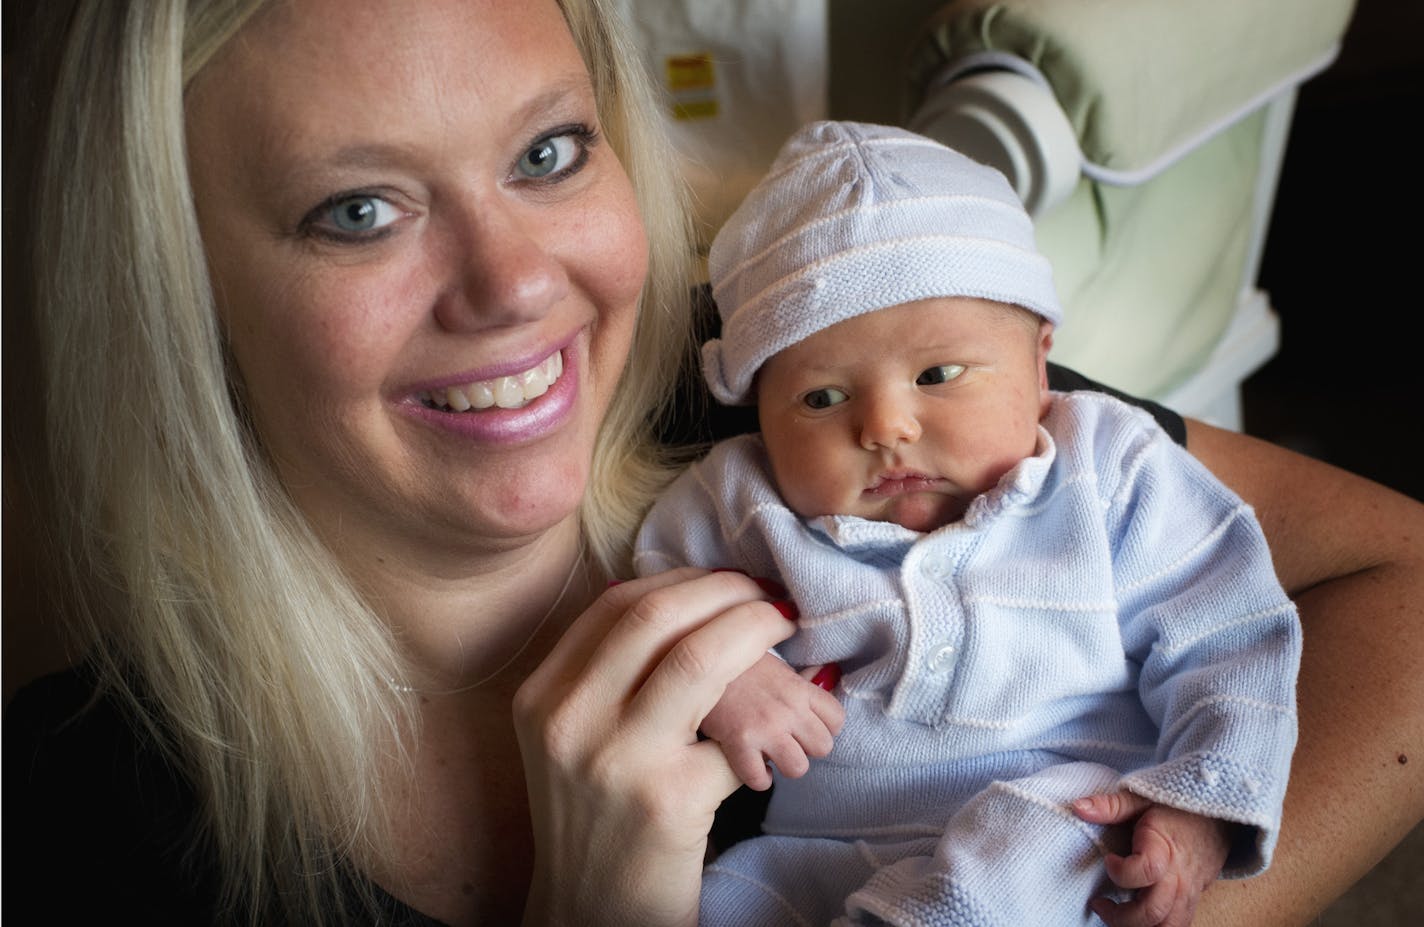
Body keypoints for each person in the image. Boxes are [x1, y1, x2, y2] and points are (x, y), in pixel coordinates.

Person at [1, 2, 1420, 926]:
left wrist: (1142, 885)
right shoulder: (73, 818)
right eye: (357, 208)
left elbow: (1405, 575)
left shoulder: (849, 388)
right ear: (173, 289)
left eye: (550, 151)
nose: (512, 283)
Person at [634, 120, 1303, 927]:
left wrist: (1203, 805)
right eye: (821, 397)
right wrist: (731, 679)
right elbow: (655, 597)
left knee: (1030, 850)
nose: (885, 426)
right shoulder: (741, 496)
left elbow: (1230, 632)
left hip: (1069, 818)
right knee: (714, 900)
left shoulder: (1109, 466)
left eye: (938, 374)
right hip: (823, 843)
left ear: (1040, 357)